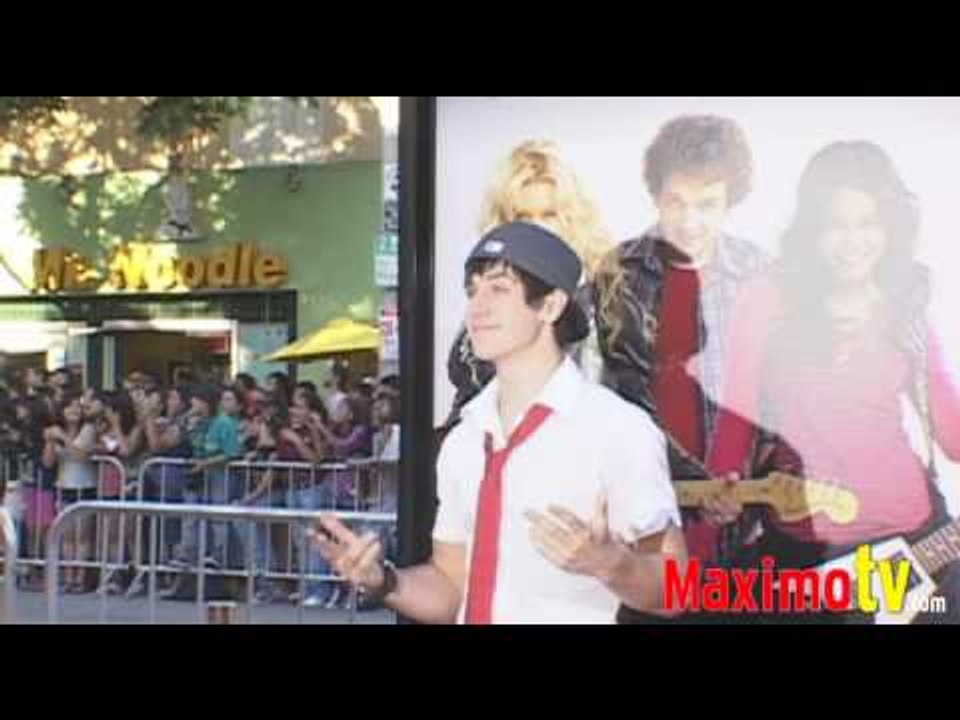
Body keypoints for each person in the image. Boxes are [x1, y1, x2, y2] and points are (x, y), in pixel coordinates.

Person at [313, 222, 685, 624]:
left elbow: (676, 590)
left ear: (551, 306)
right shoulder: (464, 439)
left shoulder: (617, 429)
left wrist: (613, 564)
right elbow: (452, 587)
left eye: (499, 289)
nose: (477, 306)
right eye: (472, 290)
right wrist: (383, 581)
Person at [707, 141, 960, 622]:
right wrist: (725, 487)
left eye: (869, 224)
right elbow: (737, 416)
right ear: (811, 230)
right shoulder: (765, 299)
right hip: (806, 553)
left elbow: (952, 432)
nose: (853, 242)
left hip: (916, 542)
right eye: (835, 225)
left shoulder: (905, 304)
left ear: (891, 227)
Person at [592, 115, 773, 622]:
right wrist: (698, 484)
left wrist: (745, 488)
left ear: (730, 198)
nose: (689, 220)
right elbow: (615, 398)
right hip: (648, 544)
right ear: (656, 193)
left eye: (707, 204)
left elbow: (774, 394)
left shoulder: (761, 273)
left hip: (745, 540)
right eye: (676, 202)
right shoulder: (617, 275)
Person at [444, 139, 616, 429]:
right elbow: (467, 394)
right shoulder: (489, 295)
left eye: (549, 214)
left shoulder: (609, 297)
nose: (537, 226)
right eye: (523, 216)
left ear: (572, 217)